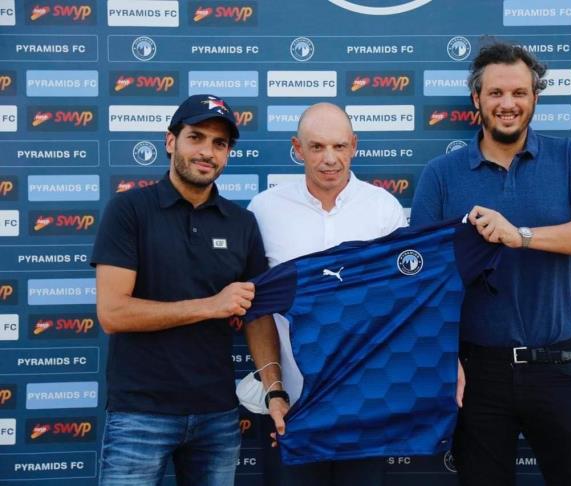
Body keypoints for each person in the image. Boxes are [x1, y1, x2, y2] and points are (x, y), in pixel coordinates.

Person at [411, 42, 571, 486]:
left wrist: (520, 236)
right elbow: (423, 279)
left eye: (519, 93)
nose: (507, 104)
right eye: (495, 93)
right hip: (478, 374)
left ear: (534, 97)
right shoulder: (441, 174)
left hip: (559, 366)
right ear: (476, 98)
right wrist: (443, 358)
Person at [92, 94, 282, 486]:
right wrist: (211, 306)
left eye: (219, 143)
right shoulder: (129, 210)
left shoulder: (241, 223)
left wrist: (274, 389)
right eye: (196, 137)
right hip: (140, 413)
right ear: (170, 141)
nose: (207, 152)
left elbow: (257, 316)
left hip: (217, 414)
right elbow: (113, 313)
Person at [247, 102, 406, 486]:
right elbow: (256, 311)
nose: (329, 159)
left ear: (354, 145)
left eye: (339, 146)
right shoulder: (264, 210)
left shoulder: (384, 208)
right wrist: (274, 392)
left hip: (367, 407)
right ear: (297, 148)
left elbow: (403, 306)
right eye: (316, 147)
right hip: (291, 407)